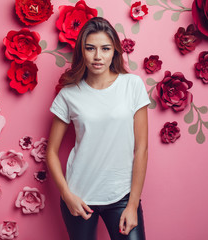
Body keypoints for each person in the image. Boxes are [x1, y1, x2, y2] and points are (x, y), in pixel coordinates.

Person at [46, 17, 150, 240]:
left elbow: (141, 149)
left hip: (122, 196)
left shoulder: (132, 85)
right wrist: (66, 194)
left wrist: (132, 205)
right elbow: (51, 152)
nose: (97, 56)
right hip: (79, 196)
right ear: (81, 51)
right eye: (90, 48)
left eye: (105, 48)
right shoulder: (69, 94)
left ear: (115, 51)